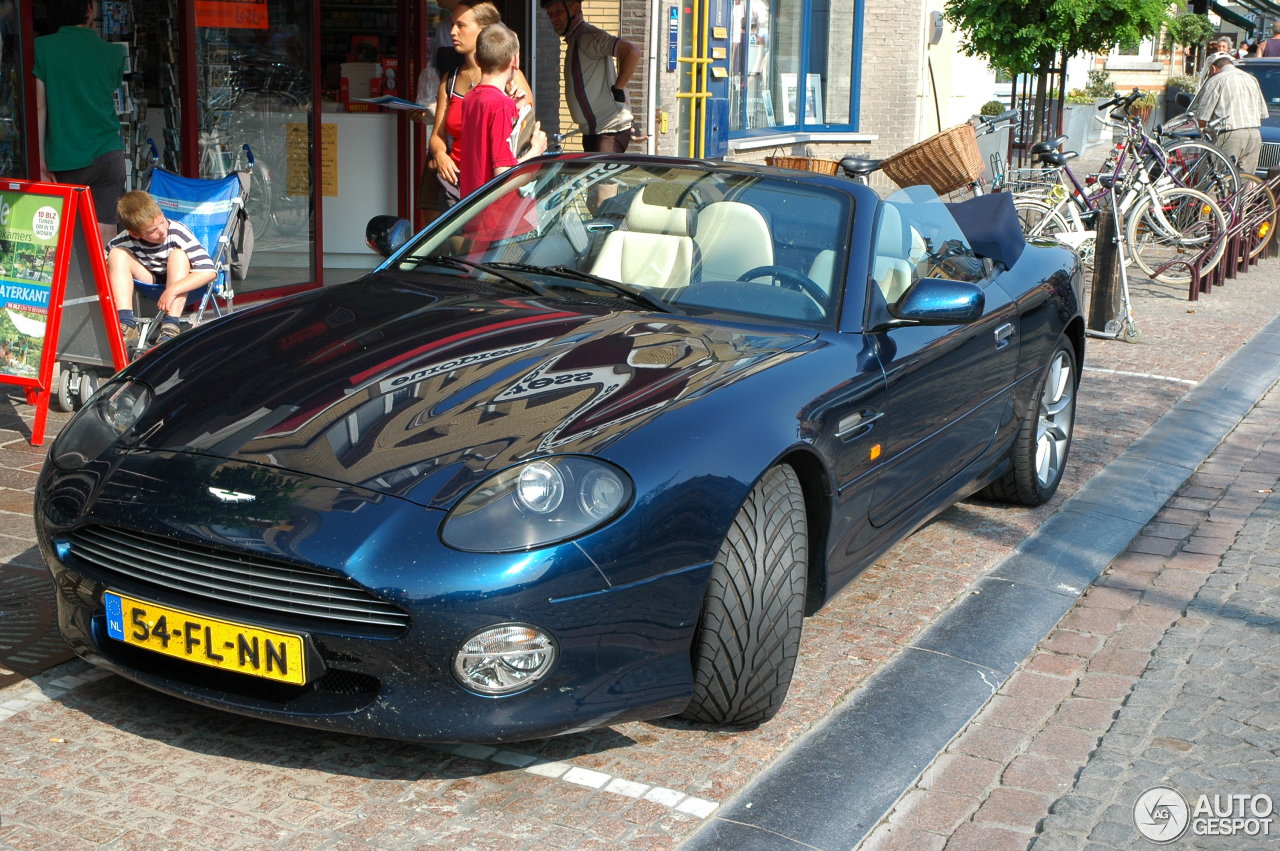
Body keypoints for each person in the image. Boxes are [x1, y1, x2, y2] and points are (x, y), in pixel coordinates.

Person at [33, 0, 128, 247]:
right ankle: (104, 284)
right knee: (105, 234)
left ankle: (72, 286)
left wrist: (40, 159)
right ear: (90, 10)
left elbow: (39, 106)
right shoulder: (114, 52)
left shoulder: (41, 48)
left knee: (64, 234)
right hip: (108, 151)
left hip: (66, 155)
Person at [427, 1, 534, 208]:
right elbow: (437, 136)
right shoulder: (449, 80)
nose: (452, 32)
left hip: (493, 186)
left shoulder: (510, 76)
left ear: (484, 31)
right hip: (454, 183)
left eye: (461, 25)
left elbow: (524, 133)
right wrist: (441, 155)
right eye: (452, 24)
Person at [107, 191, 216, 347]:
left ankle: (170, 326)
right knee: (116, 254)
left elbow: (209, 271)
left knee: (178, 255)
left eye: (162, 221)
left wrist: (172, 290)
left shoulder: (177, 232)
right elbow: (102, 263)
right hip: (151, 282)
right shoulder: (125, 239)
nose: (162, 230)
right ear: (135, 234)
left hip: (185, 284)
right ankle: (126, 322)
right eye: (152, 231)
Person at [459, 23, 547, 198]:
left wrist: (513, 109)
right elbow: (503, 175)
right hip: (499, 217)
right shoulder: (501, 105)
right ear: (515, 61)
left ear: (477, 59)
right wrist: (536, 150)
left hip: (473, 208)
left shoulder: (469, 98)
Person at [540, 0, 641, 153]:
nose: (553, 18)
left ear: (575, 8)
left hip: (607, 133)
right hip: (596, 133)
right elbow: (611, 78)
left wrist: (618, 88)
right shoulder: (576, 40)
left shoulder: (588, 36)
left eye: (558, 12)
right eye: (550, 14)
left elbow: (631, 52)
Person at [1189, 51, 1269, 175]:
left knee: (1214, 178)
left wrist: (1203, 131)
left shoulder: (1216, 80)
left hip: (1229, 134)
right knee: (1244, 181)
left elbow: (1202, 118)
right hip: (1254, 134)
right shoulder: (1251, 79)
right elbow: (1263, 113)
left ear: (1213, 68)